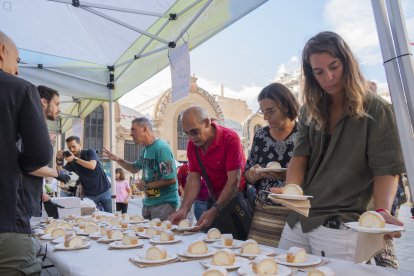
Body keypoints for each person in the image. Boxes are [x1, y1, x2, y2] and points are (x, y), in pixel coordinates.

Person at [273, 31, 405, 261]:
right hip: (300, 218)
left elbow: (386, 168)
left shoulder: (377, 109)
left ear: (347, 63)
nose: (329, 77)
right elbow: (299, 157)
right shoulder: (309, 110)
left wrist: (382, 211)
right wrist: (291, 190)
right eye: (319, 71)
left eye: (334, 66)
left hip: (342, 223)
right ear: (311, 75)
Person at [0, 31, 52, 275]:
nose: (17, 70)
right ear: (2, 51)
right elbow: (40, 155)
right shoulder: (20, 89)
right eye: (16, 61)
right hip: (5, 224)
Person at [169, 106, 252, 240]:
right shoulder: (192, 145)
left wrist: (214, 210)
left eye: (195, 132)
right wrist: (183, 208)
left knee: (239, 247)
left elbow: (233, 181)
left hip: (235, 200)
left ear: (207, 122)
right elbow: (193, 179)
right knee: (212, 246)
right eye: (187, 133)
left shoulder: (230, 138)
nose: (191, 138)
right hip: (214, 200)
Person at [244, 83, 299, 247]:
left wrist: (288, 176)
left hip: (296, 213)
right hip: (264, 213)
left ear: (286, 104)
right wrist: (255, 174)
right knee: (259, 263)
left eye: (270, 110)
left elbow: (317, 175)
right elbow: (247, 174)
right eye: (263, 112)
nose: (266, 117)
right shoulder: (260, 135)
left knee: (293, 263)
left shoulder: (305, 133)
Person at [103, 117, 179, 221]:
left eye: (133, 130)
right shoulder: (145, 150)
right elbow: (134, 168)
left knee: (160, 236)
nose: (131, 134)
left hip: (163, 205)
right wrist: (117, 159)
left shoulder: (161, 148)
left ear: (144, 129)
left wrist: (147, 185)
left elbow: (171, 179)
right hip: (149, 203)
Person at [56, 136, 112, 212]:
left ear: (80, 144)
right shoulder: (71, 161)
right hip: (88, 195)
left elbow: (92, 166)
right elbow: (60, 172)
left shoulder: (89, 152)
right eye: (69, 148)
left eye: (73, 146)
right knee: (89, 218)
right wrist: (59, 160)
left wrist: (75, 159)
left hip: (104, 192)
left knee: (111, 216)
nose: (71, 150)